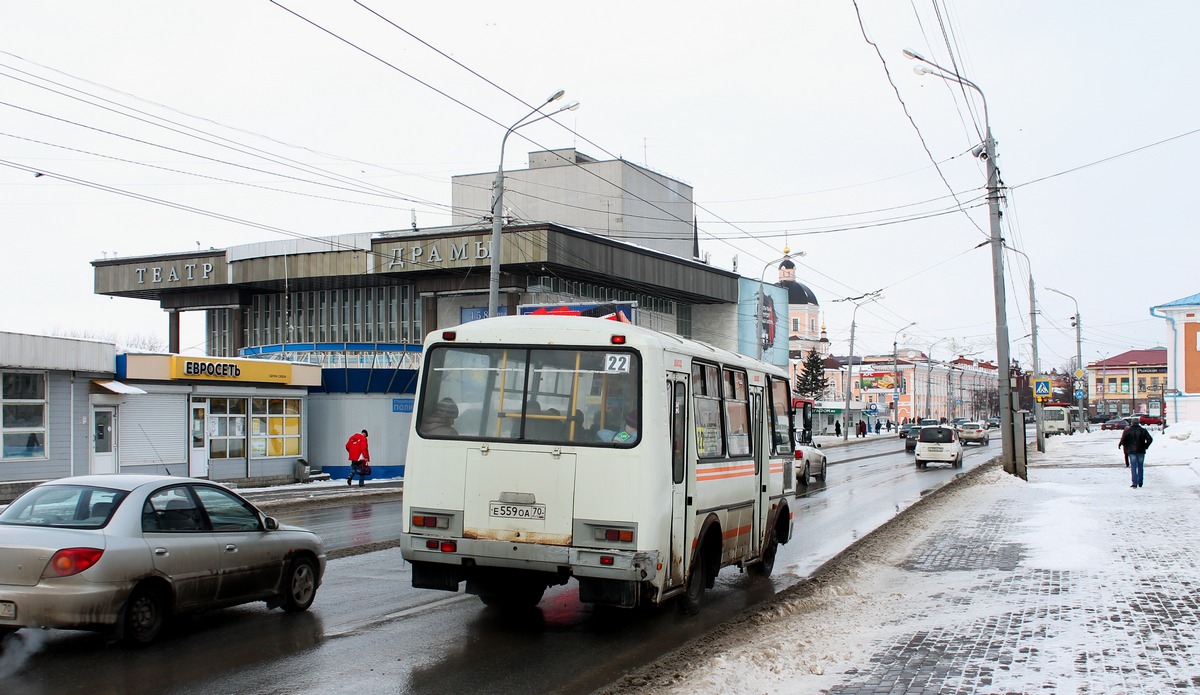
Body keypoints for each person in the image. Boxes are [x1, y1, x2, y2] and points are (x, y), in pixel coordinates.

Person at [1118, 418, 1153, 488]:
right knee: (1140, 466)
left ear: (1132, 423)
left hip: (1131, 451)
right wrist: (1145, 446)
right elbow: (1150, 439)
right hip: (1141, 450)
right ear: (1138, 423)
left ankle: (1134, 482)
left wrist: (1127, 447)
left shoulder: (1128, 431)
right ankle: (1140, 482)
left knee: (1133, 467)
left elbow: (1123, 441)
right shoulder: (1143, 430)